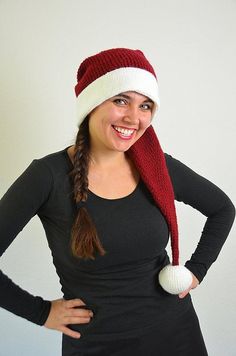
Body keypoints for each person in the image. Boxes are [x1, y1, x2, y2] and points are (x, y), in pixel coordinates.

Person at [0, 48, 235, 356]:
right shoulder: (46, 176)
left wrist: (195, 271)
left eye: (146, 105)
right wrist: (41, 313)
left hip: (176, 333)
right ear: (91, 103)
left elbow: (222, 209)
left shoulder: (157, 167)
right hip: (98, 344)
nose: (133, 118)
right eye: (121, 100)